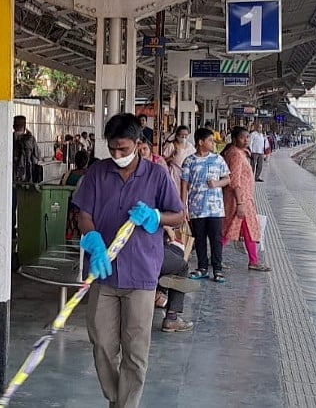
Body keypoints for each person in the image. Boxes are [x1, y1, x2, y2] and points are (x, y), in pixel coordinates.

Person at [72, 113, 186, 408]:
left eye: (123, 148)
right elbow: (83, 213)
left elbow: (178, 214)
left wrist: (156, 217)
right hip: (104, 273)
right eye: (112, 149)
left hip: (141, 274)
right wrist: (93, 239)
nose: (117, 155)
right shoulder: (97, 173)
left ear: (138, 143)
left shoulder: (157, 175)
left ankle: (125, 405)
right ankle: (115, 399)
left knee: (136, 350)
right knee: (102, 344)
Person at [180, 128, 231, 283]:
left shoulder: (218, 159)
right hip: (196, 208)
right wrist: (184, 208)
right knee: (200, 238)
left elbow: (227, 179)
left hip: (215, 208)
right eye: (210, 140)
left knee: (216, 239)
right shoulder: (189, 161)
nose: (212, 143)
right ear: (201, 142)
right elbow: (184, 186)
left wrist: (217, 183)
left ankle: (217, 269)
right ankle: (202, 268)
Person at [221, 126, 271, 272]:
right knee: (231, 229)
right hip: (239, 199)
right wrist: (240, 203)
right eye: (243, 137)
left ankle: (253, 260)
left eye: (248, 137)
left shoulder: (239, 152)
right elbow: (235, 180)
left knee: (243, 229)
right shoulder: (236, 155)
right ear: (235, 139)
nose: (246, 140)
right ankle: (217, 258)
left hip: (244, 198)